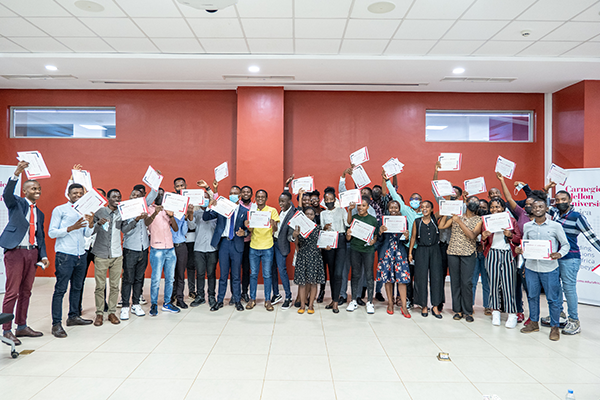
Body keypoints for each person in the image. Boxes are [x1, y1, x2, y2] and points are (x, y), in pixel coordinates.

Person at [1, 160, 49, 344]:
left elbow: (41, 236)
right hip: (15, 251)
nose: (37, 191)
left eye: (39, 189)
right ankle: (6, 330)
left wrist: (43, 255)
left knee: (26, 291)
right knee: (12, 292)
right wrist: (17, 173)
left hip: (32, 253)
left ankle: (21, 326)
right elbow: (7, 194)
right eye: (33, 188)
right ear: (25, 191)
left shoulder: (40, 213)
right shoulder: (17, 204)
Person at [545, 190, 600, 335]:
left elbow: (591, 236)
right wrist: (545, 190)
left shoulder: (577, 217)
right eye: (557, 200)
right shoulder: (555, 213)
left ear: (570, 200)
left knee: (569, 289)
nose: (560, 202)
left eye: (563, 199)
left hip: (570, 258)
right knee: (555, 287)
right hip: (555, 257)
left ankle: (574, 320)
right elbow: (541, 204)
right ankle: (559, 315)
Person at [517, 195, 570, 341]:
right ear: (531, 210)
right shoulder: (527, 226)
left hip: (549, 268)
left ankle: (554, 327)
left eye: (540, 207)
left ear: (546, 209)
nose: (537, 209)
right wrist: (519, 249)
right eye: (534, 207)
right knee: (532, 296)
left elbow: (566, 245)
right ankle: (534, 322)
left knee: (553, 299)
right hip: (531, 267)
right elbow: (525, 244)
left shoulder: (556, 226)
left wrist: (559, 254)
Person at [48, 183, 95, 338]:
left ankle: (73, 316)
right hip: (65, 255)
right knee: (60, 289)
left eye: (80, 193)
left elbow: (87, 234)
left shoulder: (85, 211)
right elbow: (52, 233)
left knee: (77, 287)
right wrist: (70, 228)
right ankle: (56, 324)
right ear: (68, 194)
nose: (78, 195)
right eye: (74, 193)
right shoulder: (60, 210)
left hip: (81, 254)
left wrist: (91, 221)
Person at [202, 186, 248, 311]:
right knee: (223, 275)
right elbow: (206, 217)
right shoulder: (222, 207)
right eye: (231, 193)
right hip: (224, 243)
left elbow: (248, 228)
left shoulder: (244, 210)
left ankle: (237, 300)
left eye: (235, 193)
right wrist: (210, 206)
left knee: (236, 275)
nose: (232, 195)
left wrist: (244, 233)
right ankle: (220, 300)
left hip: (237, 244)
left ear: (239, 196)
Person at [439, 196, 483, 322]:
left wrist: (459, 222)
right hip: (452, 252)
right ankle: (457, 310)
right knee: (455, 282)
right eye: (471, 201)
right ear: (466, 203)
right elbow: (442, 226)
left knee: (467, 283)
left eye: (476, 201)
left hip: (468, 253)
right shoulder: (456, 216)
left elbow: (472, 235)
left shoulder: (478, 219)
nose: (473, 203)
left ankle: (468, 311)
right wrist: (445, 214)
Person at [383, 171, 423, 308]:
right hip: (407, 247)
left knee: (419, 276)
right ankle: (407, 300)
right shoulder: (406, 210)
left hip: (422, 248)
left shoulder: (425, 212)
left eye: (417, 199)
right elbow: (395, 197)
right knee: (406, 276)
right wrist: (388, 181)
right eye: (413, 199)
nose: (415, 201)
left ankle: (417, 301)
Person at [91, 189, 130, 326]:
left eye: (119, 196)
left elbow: (124, 229)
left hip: (117, 254)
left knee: (115, 286)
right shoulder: (99, 212)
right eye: (114, 196)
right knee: (100, 286)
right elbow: (90, 231)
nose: (116, 198)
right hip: (101, 254)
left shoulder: (122, 212)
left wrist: (135, 220)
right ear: (108, 198)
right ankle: (99, 313)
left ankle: (112, 312)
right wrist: (98, 224)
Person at [481, 198, 521, 328]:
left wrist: (510, 234)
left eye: (497, 207)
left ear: (503, 208)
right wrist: (484, 236)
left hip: (507, 254)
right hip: (492, 253)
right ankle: (495, 312)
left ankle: (511, 314)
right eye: (492, 207)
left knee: (508, 284)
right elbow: (483, 242)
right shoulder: (487, 221)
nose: (495, 210)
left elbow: (518, 238)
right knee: (493, 284)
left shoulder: (511, 220)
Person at [145, 192, 180, 316]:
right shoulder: (149, 208)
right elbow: (146, 222)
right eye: (158, 194)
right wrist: (155, 212)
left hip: (170, 248)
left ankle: (167, 303)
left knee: (170, 279)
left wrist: (171, 216)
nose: (160, 196)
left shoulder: (169, 208)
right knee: (155, 279)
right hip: (157, 248)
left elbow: (175, 228)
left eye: (162, 194)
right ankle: (154, 304)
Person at [245, 189, 280, 311]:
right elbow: (250, 230)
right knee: (253, 274)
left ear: (266, 198)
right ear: (255, 198)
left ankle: (268, 300)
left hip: (267, 247)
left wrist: (273, 223)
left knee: (267, 275)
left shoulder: (272, 211)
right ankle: (252, 299)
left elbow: (275, 229)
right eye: (258, 196)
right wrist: (247, 225)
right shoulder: (252, 211)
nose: (260, 198)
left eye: (263, 197)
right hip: (254, 246)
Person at [408, 200, 443, 319]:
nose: (424, 209)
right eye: (422, 207)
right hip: (421, 251)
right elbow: (413, 237)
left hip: (435, 250)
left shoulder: (434, 218)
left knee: (436, 277)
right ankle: (423, 305)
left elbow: (444, 209)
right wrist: (410, 253)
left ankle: (435, 306)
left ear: (432, 209)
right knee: (420, 277)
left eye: (427, 207)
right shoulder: (417, 221)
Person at [377, 200, 411, 317]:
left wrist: (406, 237)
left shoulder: (403, 221)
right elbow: (379, 241)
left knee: (402, 280)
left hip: (400, 253)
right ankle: (390, 303)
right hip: (386, 253)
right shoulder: (383, 221)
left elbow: (406, 241)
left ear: (399, 209)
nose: (393, 210)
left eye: (396, 208)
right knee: (388, 279)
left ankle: (404, 306)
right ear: (388, 209)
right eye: (391, 208)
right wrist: (380, 232)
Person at [345, 197, 379, 314]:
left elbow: (376, 236)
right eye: (359, 205)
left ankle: (370, 302)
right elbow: (348, 238)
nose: (360, 208)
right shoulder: (354, 218)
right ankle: (353, 300)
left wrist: (374, 240)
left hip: (368, 250)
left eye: (363, 206)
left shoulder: (373, 220)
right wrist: (348, 235)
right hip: (355, 249)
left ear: (368, 207)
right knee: (355, 274)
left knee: (369, 275)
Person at [120, 188, 150, 319]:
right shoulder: (125, 209)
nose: (135, 197)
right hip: (130, 249)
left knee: (139, 278)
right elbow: (124, 230)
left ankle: (136, 304)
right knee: (128, 279)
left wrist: (155, 181)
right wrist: (136, 220)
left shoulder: (144, 206)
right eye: (133, 194)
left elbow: (153, 194)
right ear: (130, 196)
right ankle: (125, 306)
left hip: (144, 249)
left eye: (138, 195)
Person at [293, 207, 326, 314]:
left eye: (311, 214)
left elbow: (322, 243)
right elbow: (297, 244)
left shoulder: (318, 228)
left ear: (314, 215)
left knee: (313, 283)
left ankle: (311, 305)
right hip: (303, 256)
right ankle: (302, 305)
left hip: (315, 256)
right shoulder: (299, 228)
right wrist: (295, 235)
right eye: (307, 214)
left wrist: (327, 246)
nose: (309, 216)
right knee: (302, 283)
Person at [320, 187, 348, 313]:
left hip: (340, 240)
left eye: (331, 199)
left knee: (338, 273)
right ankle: (334, 299)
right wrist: (325, 228)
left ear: (335, 200)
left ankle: (336, 302)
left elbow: (347, 224)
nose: (329, 201)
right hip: (328, 242)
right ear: (324, 201)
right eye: (327, 199)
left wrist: (350, 211)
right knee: (331, 272)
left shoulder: (342, 210)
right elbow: (321, 229)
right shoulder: (322, 213)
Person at [271, 191, 296, 310]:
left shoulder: (293, 213)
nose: (281, 203)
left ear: (289, 201)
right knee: (272, 270)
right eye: (280, 201)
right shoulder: (280, 211)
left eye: (283, 201)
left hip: (282, 246)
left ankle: (288, 297)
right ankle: (276, 294)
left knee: (282, 270)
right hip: (272, 243)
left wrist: (293, 237)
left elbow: (290, 235)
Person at [171, 177, 192, 309]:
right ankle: (170, 297)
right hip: (168, 246)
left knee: (180, 274)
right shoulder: (168, 206)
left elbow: (184, 230)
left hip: (181, 246)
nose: (180, 188)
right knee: (170, 274)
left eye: (182, 186)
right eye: (177, 186)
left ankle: (180, 298)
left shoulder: (187, 206)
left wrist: (187, 214)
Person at [473, 199, 491, 315]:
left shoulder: (491, 221)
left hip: (486, 254)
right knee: (472, 280)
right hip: (473, 253)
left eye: (484, 207)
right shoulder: (472, 219)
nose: (481, 209)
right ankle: (469, 305)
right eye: (479, 207)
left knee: (486, 281)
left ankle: (488, 306)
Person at [239, 185, 254, 302]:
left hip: (248, 242)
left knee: (246, 269)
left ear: (251, 194)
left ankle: (244, 292)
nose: (245, 194)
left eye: (248, 192)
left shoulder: (254, 207)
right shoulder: (235, 205)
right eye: (243, 192)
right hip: (235, 242)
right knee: (234, 269)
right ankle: (236, 293)